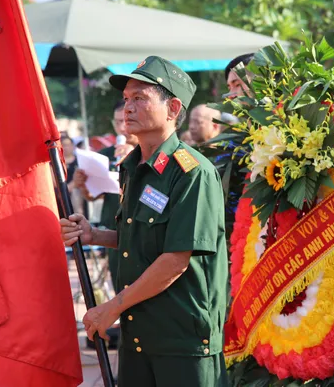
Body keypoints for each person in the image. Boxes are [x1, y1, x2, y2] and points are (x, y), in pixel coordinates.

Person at [60, 56, 229, 386]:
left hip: (182, 341)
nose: (128, 108)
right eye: (125, 100)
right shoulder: (132, 167)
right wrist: (94, 234)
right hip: (139, 336)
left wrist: (112, 307)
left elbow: (176, 259)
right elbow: (138, 236)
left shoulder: (193, 173)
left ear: (173, 108)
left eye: (140, 98)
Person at [74, 100, 138, 292]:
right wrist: (82, 185)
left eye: (126, 121)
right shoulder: (106, 155)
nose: (122, 128)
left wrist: (134, 156)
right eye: (118, 122)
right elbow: (93, 196)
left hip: (141, 227)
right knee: (120, 281)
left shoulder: (148, 152)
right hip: (113, 230)